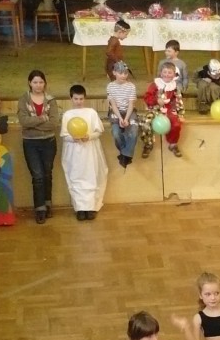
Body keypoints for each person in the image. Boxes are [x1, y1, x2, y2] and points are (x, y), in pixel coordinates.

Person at [60, 84, 108, 221]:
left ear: (85, 98)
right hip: (74, 152)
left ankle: (91, 207)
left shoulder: (91, 113)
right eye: (76, 99)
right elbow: (64, 135)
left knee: (91, 176)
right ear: (71, 98)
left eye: (81, 99)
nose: (79, 102)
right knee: (76, 177)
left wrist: (89, 136)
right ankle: (80, 208)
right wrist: (72, 138)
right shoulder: (67, 115)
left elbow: (98, 131)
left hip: (89, 150)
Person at [17, 70, 59, 224]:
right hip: (30, 143)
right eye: (35, 82)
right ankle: (39, 208)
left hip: (49, 142)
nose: (38, 85)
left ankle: (48, 204)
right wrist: (42, 118)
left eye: (41, 82)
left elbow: (53, 123)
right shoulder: (24, 99)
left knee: (47, 174)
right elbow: (24, 121)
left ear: (44, 83)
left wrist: (33, 123)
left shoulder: (50, 100)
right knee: (37, 176)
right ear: (30, 83)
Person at [142, 62, 185, 159]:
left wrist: (180, 113)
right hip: (155, 109)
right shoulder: (155, 85)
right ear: (161, 73)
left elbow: (178, 100)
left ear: (174, 74)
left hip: (169, 110)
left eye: (169, 72)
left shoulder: (175, 87)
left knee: (176, 124)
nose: (167, 75)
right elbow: (147, 97)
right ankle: (148, 144)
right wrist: (156, 100)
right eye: (164, 72)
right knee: (146, 123)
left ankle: (173, 144)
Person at [106, 61, 139, 169]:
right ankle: (125, 153)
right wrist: (120, 118)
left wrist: (127, 118)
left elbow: (131, 104)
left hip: (129, 111)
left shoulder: (131, 86)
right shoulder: (110, 86)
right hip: (116, 112)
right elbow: (113, 105)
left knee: (134, 131)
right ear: (114, 72)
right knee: (116, 133)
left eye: (125, 73)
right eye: (120, 73)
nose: (123, 75)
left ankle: (125, 155)